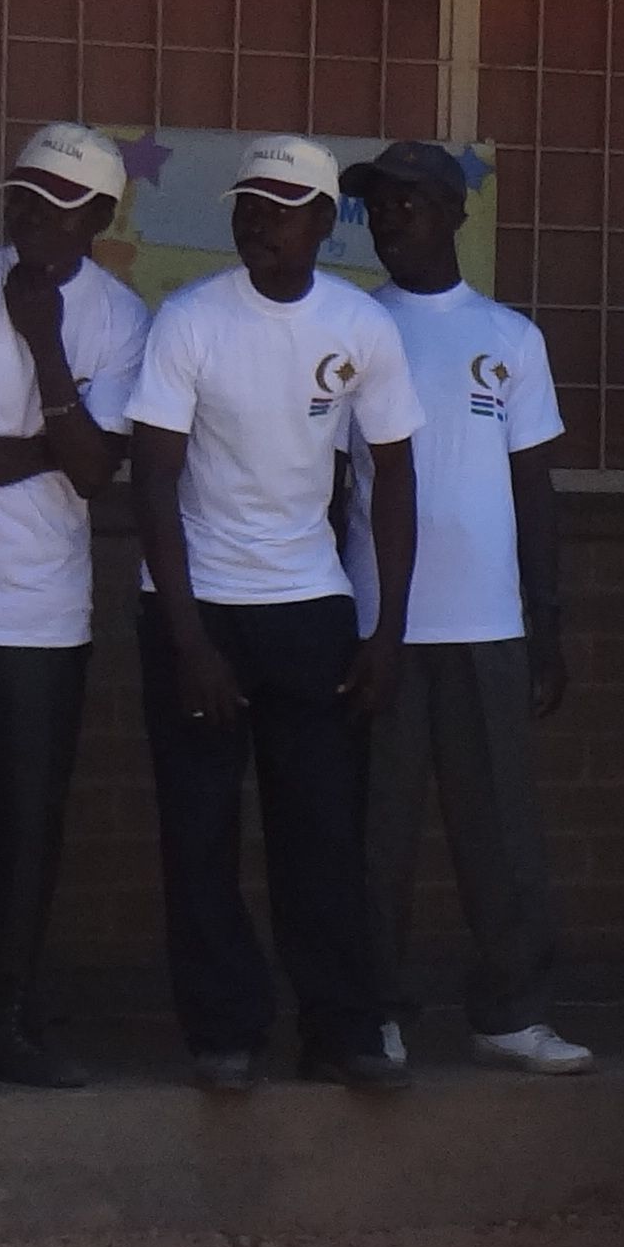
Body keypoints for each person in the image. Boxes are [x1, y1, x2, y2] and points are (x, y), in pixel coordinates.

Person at [128, 136, 420, 1096]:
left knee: (322, 833)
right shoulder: (188, 321)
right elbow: (154, 485)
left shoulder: (362, 328)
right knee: (200, 831)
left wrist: (385, 634)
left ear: (326, 222)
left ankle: (339, 1029)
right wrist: (188, 640)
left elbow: (393, 483)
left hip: (311, 607)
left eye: (285, 203)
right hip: (198, 608)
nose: (261, 217)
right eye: (249, 202)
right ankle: (225, 1032)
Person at [0, 121, 147, 1090]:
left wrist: (46, 345)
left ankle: (8, 1022)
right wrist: (61, 442)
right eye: (21, 200)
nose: (31, 219)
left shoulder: (121, 320)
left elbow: (98, 478)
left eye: (55, 204)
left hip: (50, 617)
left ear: (96, 216)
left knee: (27, 827)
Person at [339, 143, 585, 1078]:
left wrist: (548, 622)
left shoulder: (509, 337)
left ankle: (512, 1013)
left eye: (411, 204)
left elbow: (536, 488)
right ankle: (377, 1013)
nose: (392, 220)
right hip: (378, 627)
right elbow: (329, 480)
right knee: (377, 836)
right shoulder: (352, 325)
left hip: (489, 625)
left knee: (503, 834)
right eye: (379, 207)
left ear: (454, 216)